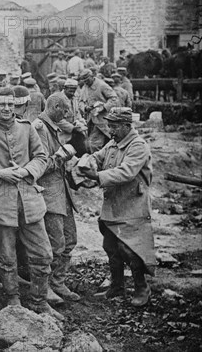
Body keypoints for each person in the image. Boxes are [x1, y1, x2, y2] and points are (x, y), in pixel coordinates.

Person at [0, 87, 63, 320]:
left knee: (43, 254)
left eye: (10, 105)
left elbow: (41, 157)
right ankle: (13, 301)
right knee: (7, 257)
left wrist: (26, 171)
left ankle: (39, 301)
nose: (6, 109)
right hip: (2, 204)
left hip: (31, 200)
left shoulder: (27, 128)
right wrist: (1, 173)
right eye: (2, 104)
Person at [82, 107, 155, 307]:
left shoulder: (138, 146)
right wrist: (87, 161)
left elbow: (126, 172)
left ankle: (141, 287)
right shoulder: (114, 143)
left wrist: (97, 176)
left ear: (126, 126)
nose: (110, 130)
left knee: (130, 248)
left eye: (114, 126)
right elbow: (98, 156)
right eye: (109, 126)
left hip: (132, 204)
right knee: (110, 246)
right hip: (114, 203)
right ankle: (117, 286)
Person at [33, 93, 81, 304]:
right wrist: (63, 155)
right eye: (64, 109)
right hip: (50, 196)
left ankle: (58, 282)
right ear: (54, 107)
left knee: (70, 239)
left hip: (62, 193)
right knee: (55, 244)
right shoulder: (39, 128)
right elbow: (40, 165)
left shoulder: (53, 126)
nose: (67, 114)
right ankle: (47, 287)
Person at [77, 69, 119, 152]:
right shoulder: (85, 87)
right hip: (90, 121)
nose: (86, 83)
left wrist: (104, 107)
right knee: (93, 144)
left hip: (103, 120)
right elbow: (80, 101)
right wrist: (85, 108)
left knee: (94, 145)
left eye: (87, 80)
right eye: (84, 81)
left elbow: (114, 98)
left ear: (92, 76)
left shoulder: (102, 85)